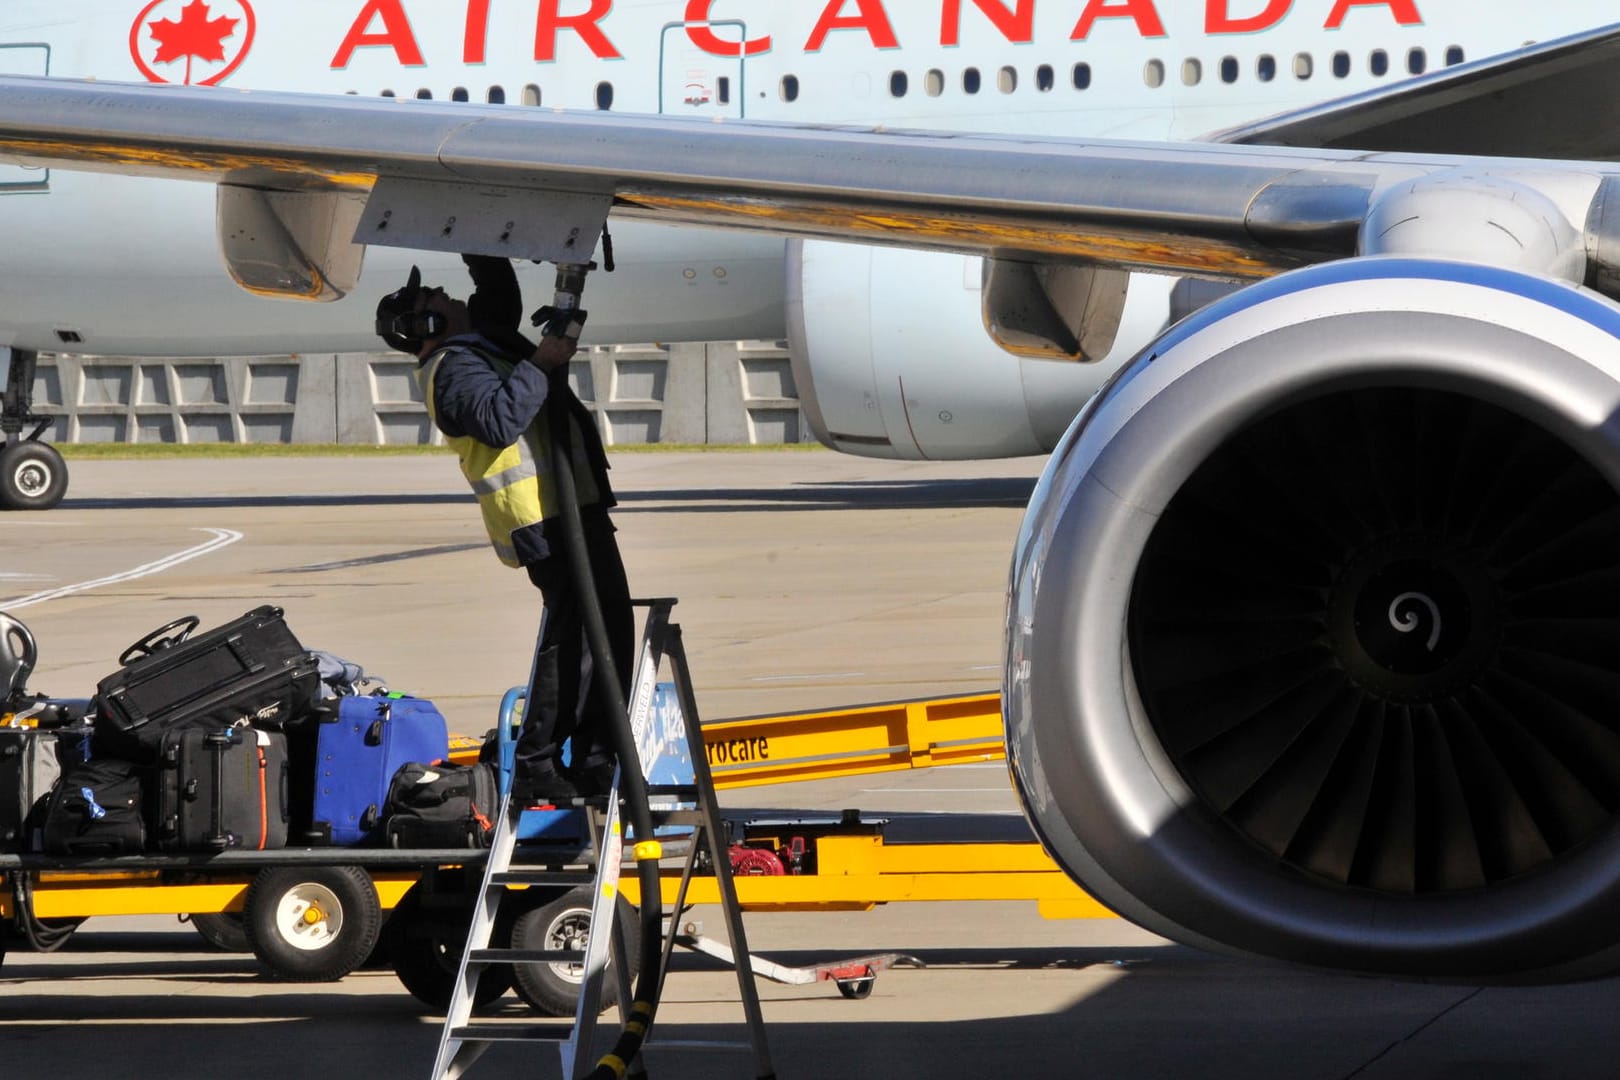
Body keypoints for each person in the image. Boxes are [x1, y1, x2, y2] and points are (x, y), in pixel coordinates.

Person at [374, 255, 633, 803]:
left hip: (569, 507)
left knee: (604, 635)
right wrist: (542, 361)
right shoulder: (453, 369)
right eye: (431, 300)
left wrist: (483, 238)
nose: (443, 293)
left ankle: (593, 755)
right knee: (577, 641)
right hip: (545, 517)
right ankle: (540, 761)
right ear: (424, 327)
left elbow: (497, 290)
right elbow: (496, 421)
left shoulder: (477, 341)